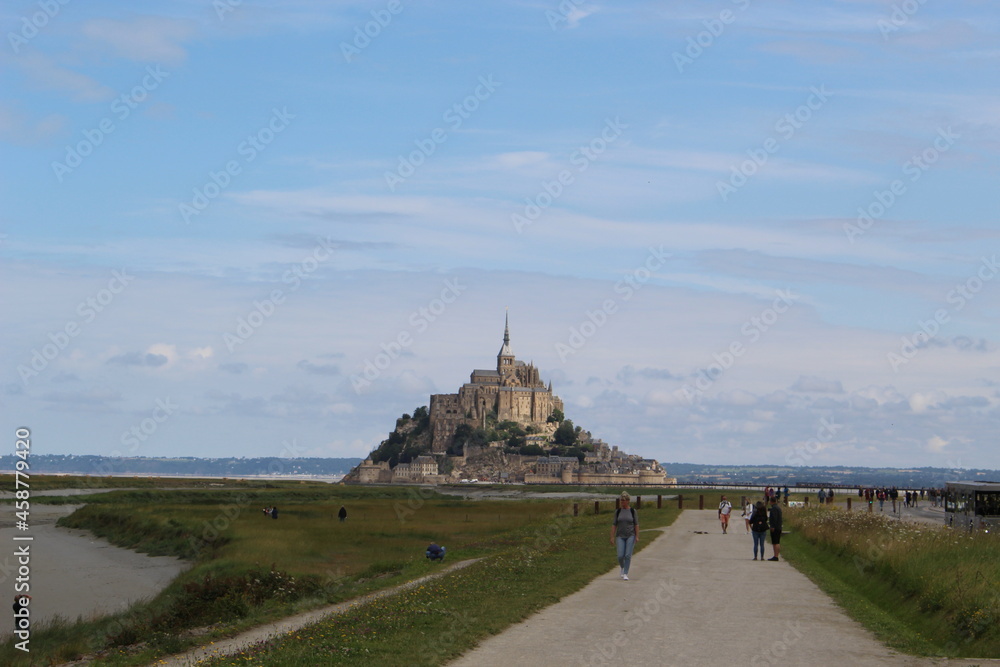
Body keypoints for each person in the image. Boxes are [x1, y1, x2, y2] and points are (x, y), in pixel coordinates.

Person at [610, 491, 638, 581]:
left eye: (623, 500)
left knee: (627, 555)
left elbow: (636, 524)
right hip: (620, 536)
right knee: (620, 556)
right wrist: (612, 536)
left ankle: (625, 573)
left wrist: (637, 536)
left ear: (628, 501)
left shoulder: (632, 511)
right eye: (621, 500)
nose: (622, 502)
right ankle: (622, 567)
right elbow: (614, 524)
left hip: (631, 535)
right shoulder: (618, 511)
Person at [768, 496, 782, 561]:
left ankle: (775, 556)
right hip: (779, 527)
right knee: (777, 542)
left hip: (775, 527)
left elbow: (774, 518)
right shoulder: (778, 508)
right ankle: (777, 555)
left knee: (775, 542)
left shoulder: (774, 509)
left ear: (771, 501)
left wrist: (772, 526)